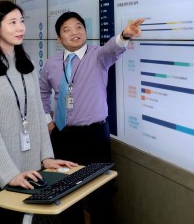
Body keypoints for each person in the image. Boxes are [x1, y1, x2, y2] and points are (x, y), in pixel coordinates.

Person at [0, 0, 77, 224]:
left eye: (22, 21)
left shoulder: (28, 66)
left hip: (27, 171)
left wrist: (46, 157)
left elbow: (36, 116)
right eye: (12, 22)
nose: (20, 28)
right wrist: (9, 174)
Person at [40, 12, 145, 224]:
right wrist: (48, 122)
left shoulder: (98, 56)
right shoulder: (51, 63)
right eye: (67, 30)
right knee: (65, 192)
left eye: (79, 27)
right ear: (59, 39)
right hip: (62, 135)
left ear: (85, 31)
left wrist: (124, 35)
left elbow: (112, 48)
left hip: (94, 136)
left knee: (100, 193)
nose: (74, 32)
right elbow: (41, 91)